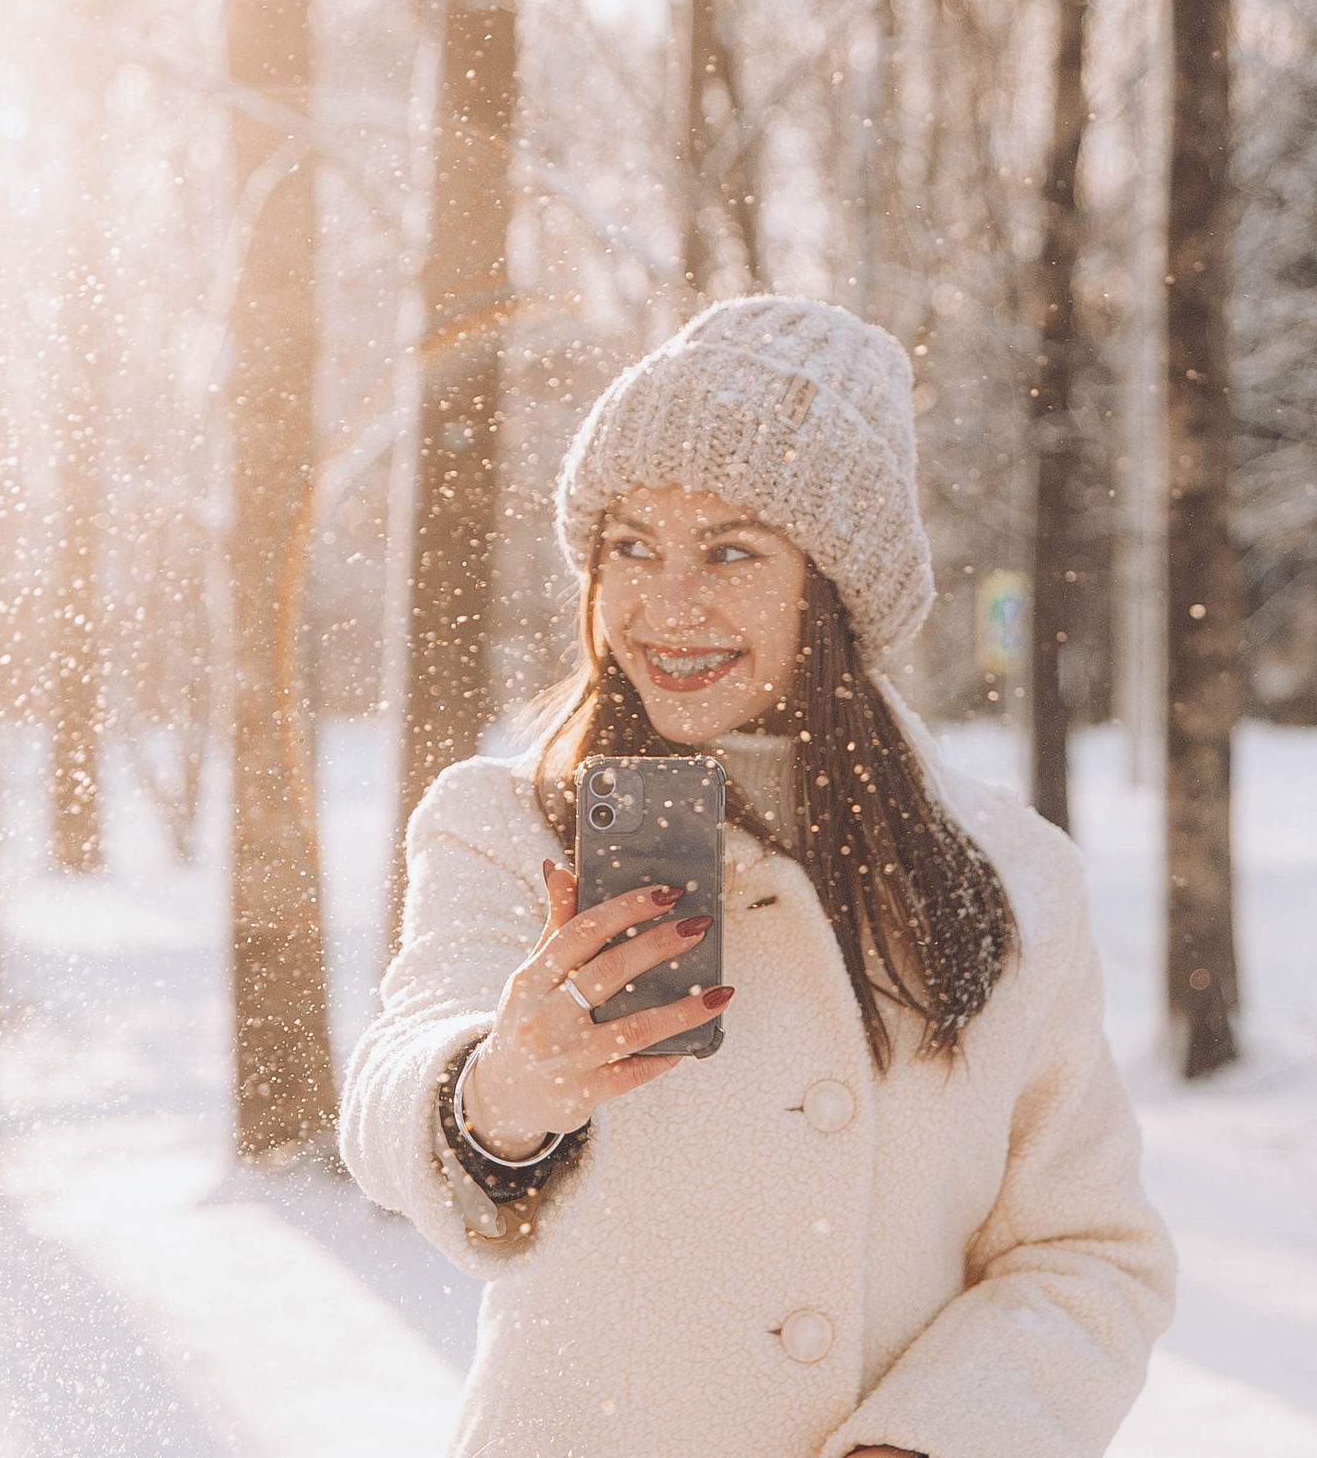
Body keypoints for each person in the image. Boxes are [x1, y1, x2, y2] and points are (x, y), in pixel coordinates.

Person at [342, 296, 1174, 1457]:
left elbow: (1087, 1256)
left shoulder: (1012, 879)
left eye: (730, 550)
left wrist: (930, 1441)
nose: (665, 605)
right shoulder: (510, 821)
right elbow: (395, 1082)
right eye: (630, 544)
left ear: (833, 590)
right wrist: (500, 1092)